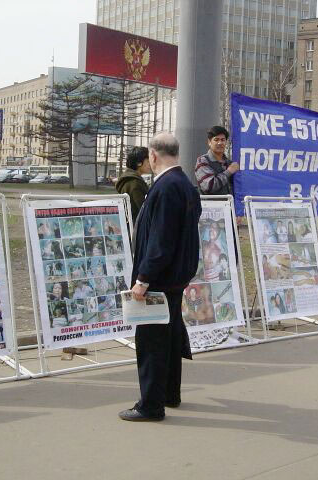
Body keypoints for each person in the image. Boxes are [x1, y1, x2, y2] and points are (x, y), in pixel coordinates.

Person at [119, 132, 202, 422]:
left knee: (152, 341)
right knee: (170, 336)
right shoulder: (185, 184)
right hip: (176, 276)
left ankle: (151, 405)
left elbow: (161, 239)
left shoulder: (166, 186)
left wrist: (143, 279)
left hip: (160, 279)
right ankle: (169, 393)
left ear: (153, 155)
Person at [195, 125, 239, 195]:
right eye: (216, 140)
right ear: (209, 142)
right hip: (211, 202)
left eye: (223, 140)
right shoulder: (203, 161)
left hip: (231, 202)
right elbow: (209, 186)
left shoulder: (229, 163)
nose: (220, 143)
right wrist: (229, 172)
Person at [116, 146, 152, 222]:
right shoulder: (135, 183)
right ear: (139, 163)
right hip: (136, 225)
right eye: (148, 161)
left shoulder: (129, 179)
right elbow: (144, 210)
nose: (151, 164)